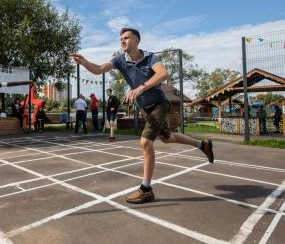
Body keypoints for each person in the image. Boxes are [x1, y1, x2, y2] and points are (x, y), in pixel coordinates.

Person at [71, 27, 214, 204]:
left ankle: (146, 189)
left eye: (126, 38)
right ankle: (202, 145)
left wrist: (141, 87)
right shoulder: (120, 60)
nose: (122, 41)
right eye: (121, 38)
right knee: (168, 138)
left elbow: (163, 73)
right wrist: (84, 61)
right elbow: (99, 69)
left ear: (136, 41)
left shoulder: (150, 57)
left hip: (160, 104)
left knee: (145, 143)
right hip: (145, 108)